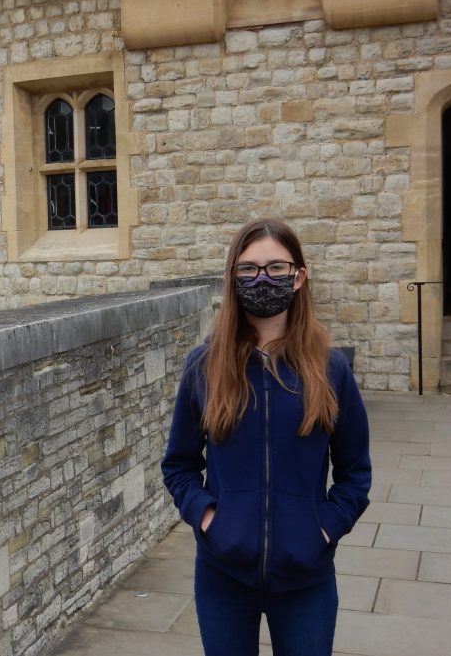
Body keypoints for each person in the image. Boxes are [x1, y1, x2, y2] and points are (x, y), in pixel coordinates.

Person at [162, 217, 371, 656]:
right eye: (249, 268)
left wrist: (326, 527)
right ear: (233, 278)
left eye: (277, 268)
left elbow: (355, 472)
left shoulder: (331, 370)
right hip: (223, 576)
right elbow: (179, 465)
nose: (262, 278)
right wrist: (208, 519)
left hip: (306, 579)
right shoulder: (204, 366)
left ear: (299, 277)